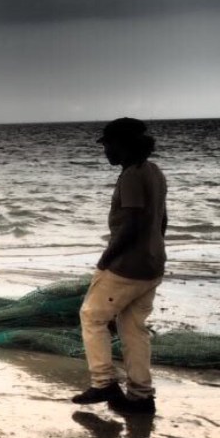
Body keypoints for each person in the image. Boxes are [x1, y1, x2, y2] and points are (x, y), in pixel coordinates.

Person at [72, 118, 167, 415]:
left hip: (127, 265)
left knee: (91, 316)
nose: (106, 152)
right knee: (133, 329)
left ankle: (103, 382)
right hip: (152, 263)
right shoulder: (154, 171)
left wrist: (106, 259)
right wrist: (154, 249)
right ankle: (141, 396)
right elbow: (161, 220)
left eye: (108, 145)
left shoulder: (131, 176)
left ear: (123, 145)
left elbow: (132, 224)